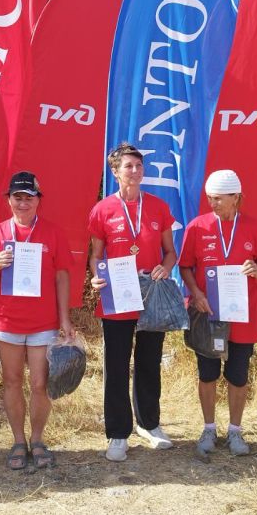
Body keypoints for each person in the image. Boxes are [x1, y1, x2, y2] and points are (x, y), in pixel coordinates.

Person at [0, 171, 75, 470]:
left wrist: (65, 319)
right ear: (8, 200)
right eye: (17, 197)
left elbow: (62, 276)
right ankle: (18, 441)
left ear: (38, 201)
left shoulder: (53, 233)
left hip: (43, 322)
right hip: (7, 320)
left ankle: (37, 439)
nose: (23, 203)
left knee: (40, 384)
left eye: (28, 198)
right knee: (12, 381)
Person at [88, 143, 178, 461]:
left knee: (149, 361)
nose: (136, 171)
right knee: (116, 364)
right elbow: (96, 256)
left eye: (139, 166)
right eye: (129, 166)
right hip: (117, 295)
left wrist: (165, 267)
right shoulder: (102, 210)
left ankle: (149, 424)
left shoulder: (158, 206)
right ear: (115, 172)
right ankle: (117, 433)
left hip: (151, 294)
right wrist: (96, 277)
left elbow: (171, 252)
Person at [179, 169, 257, 457]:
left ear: (236, 197)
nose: (213, 203)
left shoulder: (253, 227)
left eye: (219, 198)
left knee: (238, 375)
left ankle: (235, 431)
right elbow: (185, 266)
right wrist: (196, 294)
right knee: (207, 373)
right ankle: (209, 428)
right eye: (210, 198)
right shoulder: (197, 227)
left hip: (243, 317)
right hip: (208, 313)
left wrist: (256, 270)